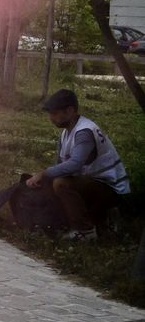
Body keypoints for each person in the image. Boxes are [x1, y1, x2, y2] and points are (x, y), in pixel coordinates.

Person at [26, 89, 131, 241]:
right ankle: (66, 222)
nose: (51, 118)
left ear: (70, 111)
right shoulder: (66, 133)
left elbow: (74, 165)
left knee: (61, 184)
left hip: (111, 188)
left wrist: (44, 173)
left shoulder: (84, 132)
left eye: (55, 113)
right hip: (91, 182)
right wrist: (43, 176)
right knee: (49, 181)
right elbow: (61, 165)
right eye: (50, 114)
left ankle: (86, 231)